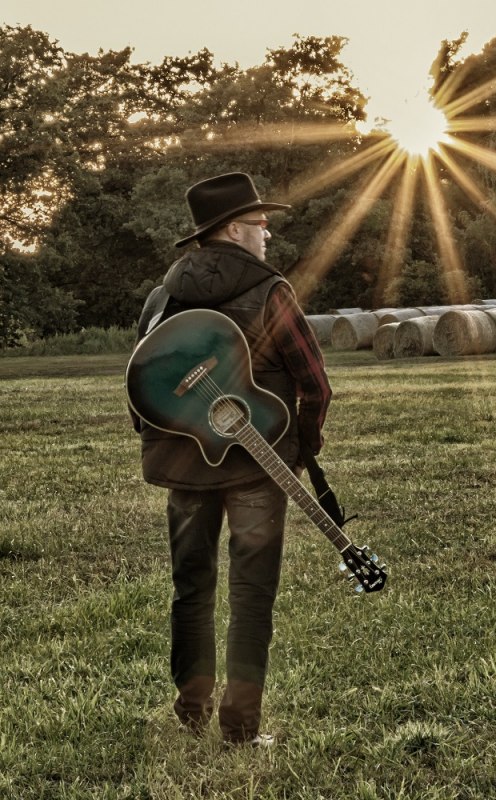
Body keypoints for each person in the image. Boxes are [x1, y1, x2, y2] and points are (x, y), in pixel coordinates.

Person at [130, 172, 332, 747]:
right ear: (235, 230)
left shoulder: (161, 297)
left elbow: (140, 387)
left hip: (183, 467)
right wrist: (299, 448)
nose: (268, 234)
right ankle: (241, 729)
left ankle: (190, 712)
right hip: (255, 463)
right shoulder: (272, 292)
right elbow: (314, 383)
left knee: (190, 587)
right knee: (250, 592)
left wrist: (165, 438)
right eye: (261, 224)